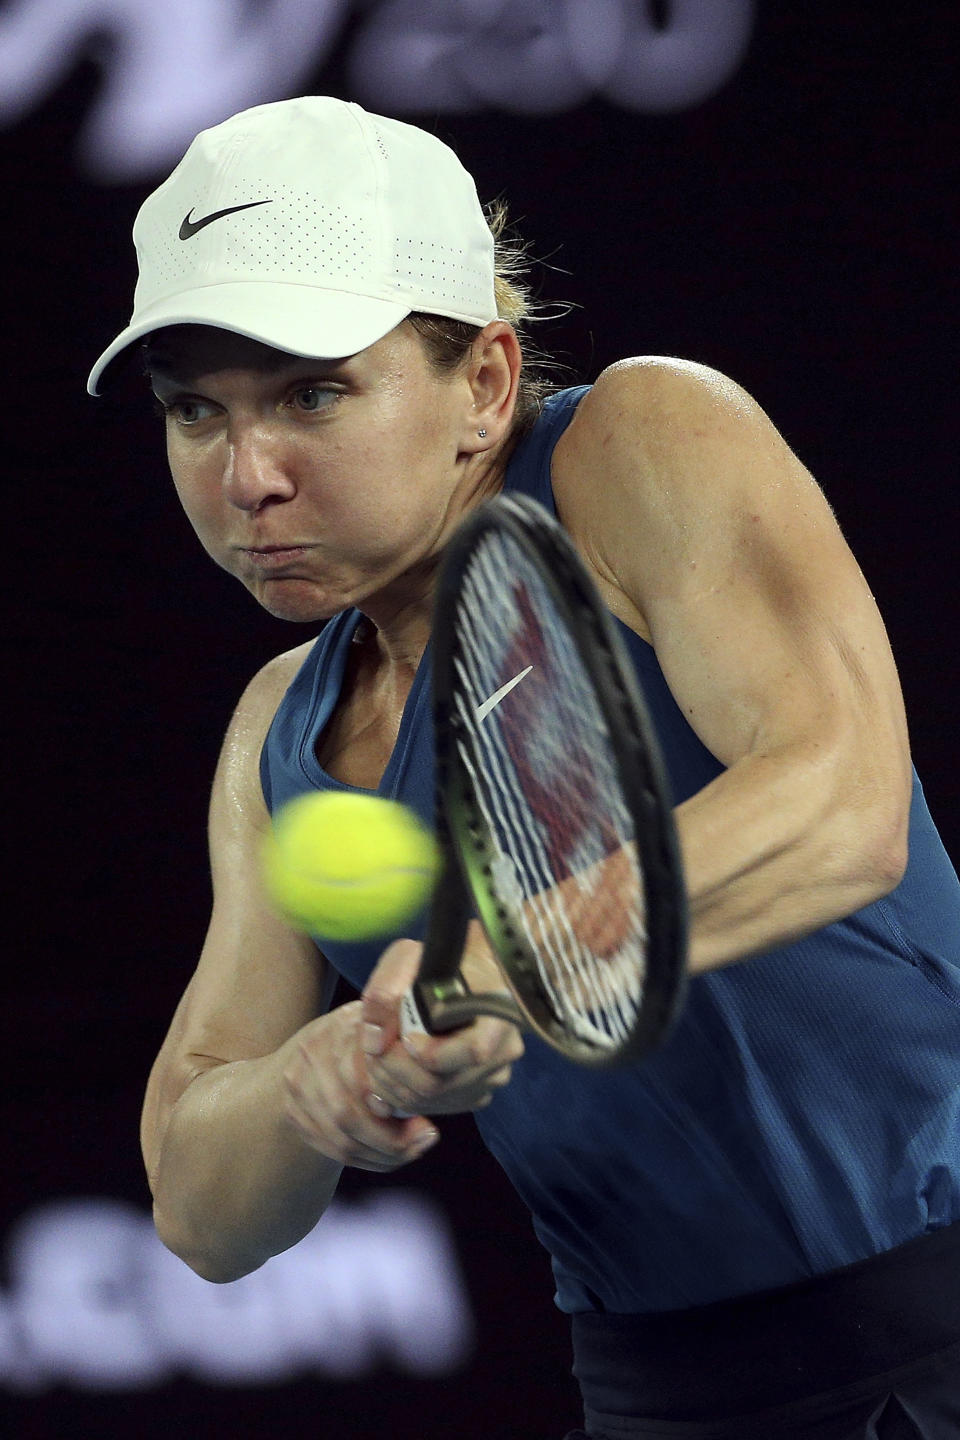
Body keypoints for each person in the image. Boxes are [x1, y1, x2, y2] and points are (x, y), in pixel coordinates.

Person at [88, 96, 960, 1438]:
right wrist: (323, 1081)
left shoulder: (636, 445)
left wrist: (499, 963)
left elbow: (843, 806)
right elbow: (197, 1202)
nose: (247, 473)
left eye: (314, 393)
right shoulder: (279, 735)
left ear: (485, 383)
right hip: (667, 1396)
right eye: (195, 411)